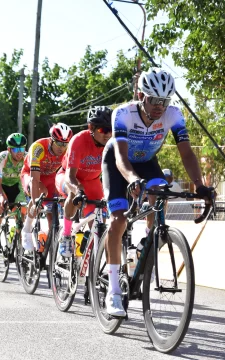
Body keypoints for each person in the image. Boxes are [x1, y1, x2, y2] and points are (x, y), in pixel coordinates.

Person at [102, 68, 212, 317]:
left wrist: (200, 185)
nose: (160, 107)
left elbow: (186, 152)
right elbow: (120, 157)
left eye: (165, 101)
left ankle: (147, 242)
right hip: (118, 162)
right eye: (154, 100)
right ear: (142, 96)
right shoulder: (123, 114)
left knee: (161, 191)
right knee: (118, 219)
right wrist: (132, 179)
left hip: (147, 161)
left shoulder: (173, 115)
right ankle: (114, 291)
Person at [55, 106, 112, 257]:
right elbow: (70, 176)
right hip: (69, 177)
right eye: (103, 130)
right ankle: (66, 235)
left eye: (110, 130)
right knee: (74, 195)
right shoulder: (79, 140)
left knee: (99, 224)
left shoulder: (111, 142)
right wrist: (78, 190)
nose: (107, 135)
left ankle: (93, 260)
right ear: (91, 127)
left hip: (93, 181)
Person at [20, 123, 73, 251]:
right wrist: (35, 201)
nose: (62, 147)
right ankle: (26, 230)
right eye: (59, 143)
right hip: (31, 175)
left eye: (65, 144)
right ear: (51, 140)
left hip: (50, 177)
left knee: (53, 208)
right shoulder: (38, 148)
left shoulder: (69, 149)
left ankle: (51, 241)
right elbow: (34, 179)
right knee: (38, 197)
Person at [0, 133, 28, 252]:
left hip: (17, 186)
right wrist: (1, 197)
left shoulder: (27, 157)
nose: (19, 152)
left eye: (22, 148)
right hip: (0, 185)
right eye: (16, 149)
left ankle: (19, 244)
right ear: (9, 149)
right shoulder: (2, 158)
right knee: (0, 205)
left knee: (22, 210)